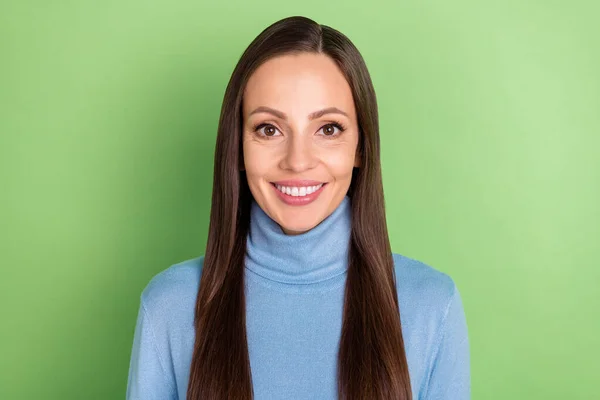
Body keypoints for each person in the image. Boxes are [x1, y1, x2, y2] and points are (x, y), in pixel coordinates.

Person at [126, 15, 470, 400]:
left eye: (328, 129)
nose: (297, 160)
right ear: (238, 146)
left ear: (361, 148)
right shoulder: (169, 308)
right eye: (269, 129)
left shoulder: (431, 305)